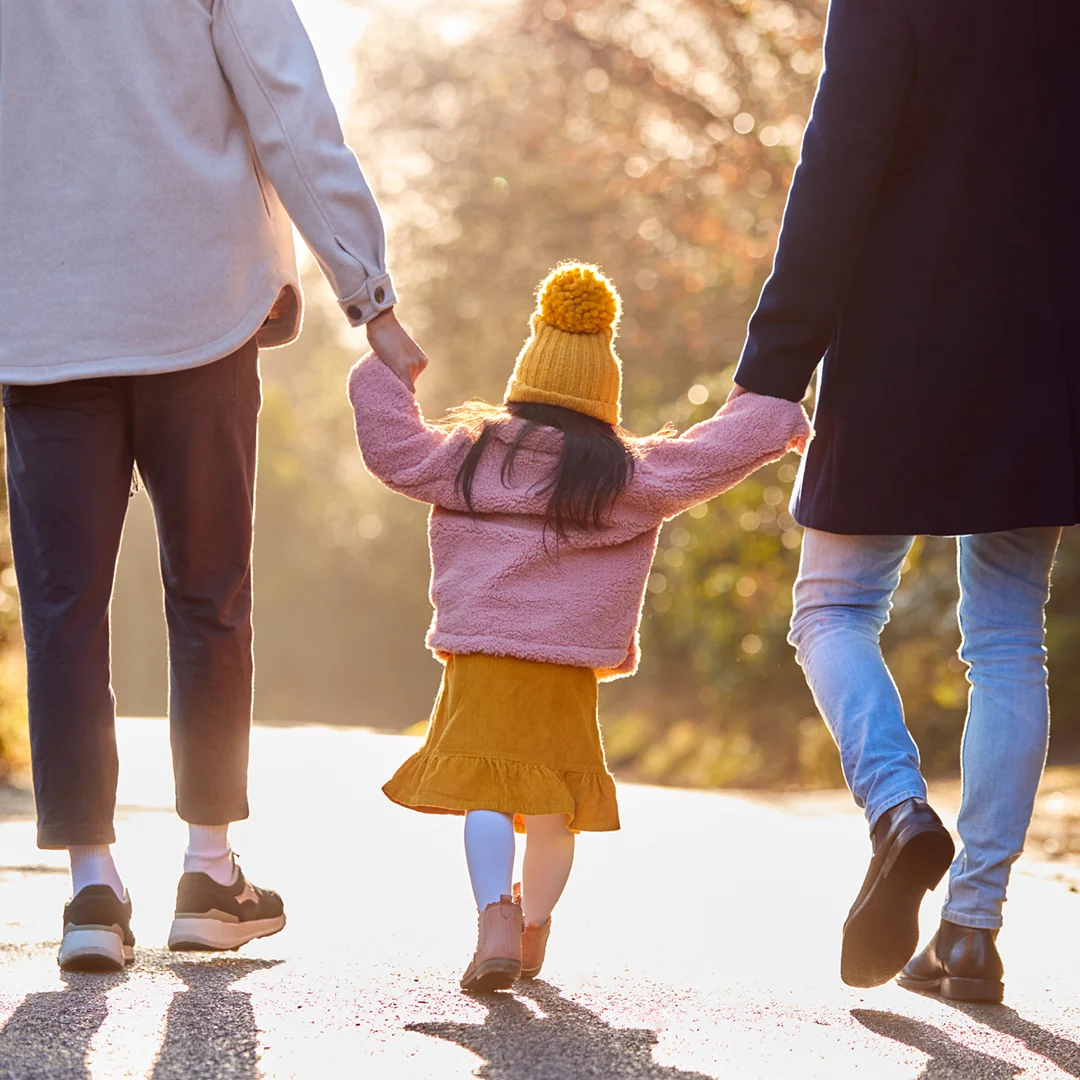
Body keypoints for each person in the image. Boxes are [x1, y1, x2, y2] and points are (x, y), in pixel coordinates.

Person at [0, 0, 427, 972]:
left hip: (43, 323)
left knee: (64, 608)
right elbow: (289, 107)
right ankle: (209, 871)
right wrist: (371, 295)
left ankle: (90, 890)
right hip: (197, 307)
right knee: (208, 595)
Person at [731, 0, 1080, 1001]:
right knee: (1009, 636)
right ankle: (972, 930)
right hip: (1045, 353)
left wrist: (774, 367)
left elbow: (837, 169)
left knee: (832, 606)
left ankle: (896, 812)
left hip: (898, 343)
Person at [350, 263, 809, 990]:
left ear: (524, 382)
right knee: (554, 807)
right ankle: (532, 932)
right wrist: (772, 409)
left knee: (485, 793)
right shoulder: (624, 477)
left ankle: (493, 917)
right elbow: (711, 455)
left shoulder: (469, 456)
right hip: (565, 669)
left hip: (482, 660)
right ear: (605, 396)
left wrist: (385, 372)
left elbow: (392, 450)